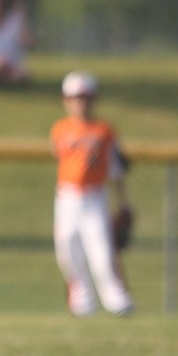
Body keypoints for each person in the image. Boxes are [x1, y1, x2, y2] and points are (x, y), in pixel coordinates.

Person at [50, 71, 134, 317]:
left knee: (101, 249)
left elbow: (116, 169)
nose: (80, 102)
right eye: (75, 97)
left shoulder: (105, 131)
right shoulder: (59, 129)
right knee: (67, 248)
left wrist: (123, 202)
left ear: (94, 99)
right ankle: (81, 300)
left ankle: (115, 298)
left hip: (95, 195)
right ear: (66, 100)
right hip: (66, 197)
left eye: (85, 97)